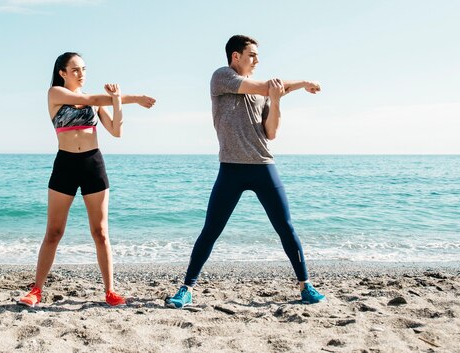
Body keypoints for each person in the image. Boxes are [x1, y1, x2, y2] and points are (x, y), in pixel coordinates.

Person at [165, 35, 326, 308]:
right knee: (211, 230)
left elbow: (271, 132)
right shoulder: (222, 77)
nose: (257, 60)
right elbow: (267, 86)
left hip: (263, 166)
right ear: (235, 56)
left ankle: (305, 286)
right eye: (252, 55)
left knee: (285, 228)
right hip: (231, 168)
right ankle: (186, 288)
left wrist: (277, 101)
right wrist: (299, 84)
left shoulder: (262, 93)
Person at [19, 52, 156, 307]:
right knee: (54, 232)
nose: (81, 74)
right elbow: (92, 98)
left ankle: (110, 291)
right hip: (65, 165)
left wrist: (116, 102)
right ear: (62, 73)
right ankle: (36, 290)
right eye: (75, 70)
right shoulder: (55, 94)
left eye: (84, 69)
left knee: (100, 232)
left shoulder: (96, 102)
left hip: (92, 164)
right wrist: (133, 98)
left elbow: (116, 131)